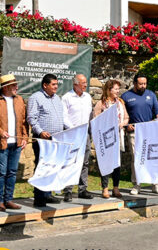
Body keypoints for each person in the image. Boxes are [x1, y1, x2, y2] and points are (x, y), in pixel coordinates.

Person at [122, 73, 158, 195]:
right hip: (134, 132)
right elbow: (122, 115)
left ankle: (155, 184)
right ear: (134, 83)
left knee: (152, 157)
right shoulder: (126, 96)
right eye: (140, 84)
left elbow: (157, 112)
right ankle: (136, 185)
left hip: (150, 131)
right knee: (136, 158)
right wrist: (126, 125)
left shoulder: (151, 95)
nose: (143, 86)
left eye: (145, 83)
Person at [27, 74, 64, 207]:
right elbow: (32, 118)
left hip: (56, 139)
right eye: (53, 84)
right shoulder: (36, 98)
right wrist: (40, 131)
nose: (56, 87)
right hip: (43, 139)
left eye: (56, 84)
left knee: (52, 167)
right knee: (41, 167)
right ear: (45, 85)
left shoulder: (57, 99)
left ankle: (48, 194)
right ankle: (39, 197)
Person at [93, 79, 129, 199]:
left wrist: (121, 124)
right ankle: (105, 188)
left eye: (119, 89)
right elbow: (96, 120)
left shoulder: (120, 103)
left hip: (118, 136)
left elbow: (126, 118)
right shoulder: (101, 104)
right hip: (106, 138)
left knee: (117, 163)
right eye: (116, 89)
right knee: (106, 163)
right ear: (109, 90)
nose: (118, 91)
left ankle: (116, 188)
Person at [61, 74, 94, 202]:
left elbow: (90, 115)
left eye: (86, 82)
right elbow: (64, 117)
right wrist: (74, 129)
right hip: (72, 134)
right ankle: (68, 191)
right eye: (83, 83)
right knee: (70, 162)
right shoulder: (66, 98)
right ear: (75, 84)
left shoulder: (87, 97)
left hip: (85, 134)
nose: (85, 85)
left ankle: (82, 189)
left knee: (84, 162)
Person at [0, 75, 27, 211]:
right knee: (1, 172)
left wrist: (25, 138)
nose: (17, 87)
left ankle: (8, 199)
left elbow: (23, 122)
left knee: (12, 172)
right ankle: (0, 201)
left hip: (15, 143)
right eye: (14, 85)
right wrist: (0, 132)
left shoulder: (19, 100)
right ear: (5, 87)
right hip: (2, 143)